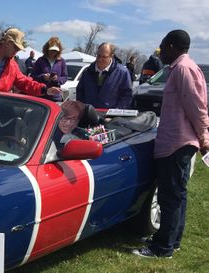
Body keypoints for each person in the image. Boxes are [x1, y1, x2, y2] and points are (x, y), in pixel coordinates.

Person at [133, 30, 209, 259]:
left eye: (163, 47)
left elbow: (197, 108)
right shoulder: (177, 69)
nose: (161, 52)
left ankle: (162, 247)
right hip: (174, 141)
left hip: (178, 144)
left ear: (173, 46)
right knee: (177, 196)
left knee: (170, 197)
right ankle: (171, 240)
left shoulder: (184, 70)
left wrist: (205, 139)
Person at [76, 42, 133, 109]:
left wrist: (115, 113)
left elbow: (127, 96)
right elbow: (80, 92)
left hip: (110, 116)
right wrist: (83, 109)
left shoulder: (122, 73)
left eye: (104, 57)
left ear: (111, 56)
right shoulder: (88, 72)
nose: (100, 59)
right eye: (98, 56)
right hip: (89, 115)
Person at [32, 37, 67, 101]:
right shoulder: (40, 60)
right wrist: (43, 77)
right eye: (51, 50)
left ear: (58, 51)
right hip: (41, 95)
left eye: (55, 51)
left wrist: (57, 79)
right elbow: (33, 76)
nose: (53, 52)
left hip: (56, 97)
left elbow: (64, 77)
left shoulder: (62, 61)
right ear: (47, 49)